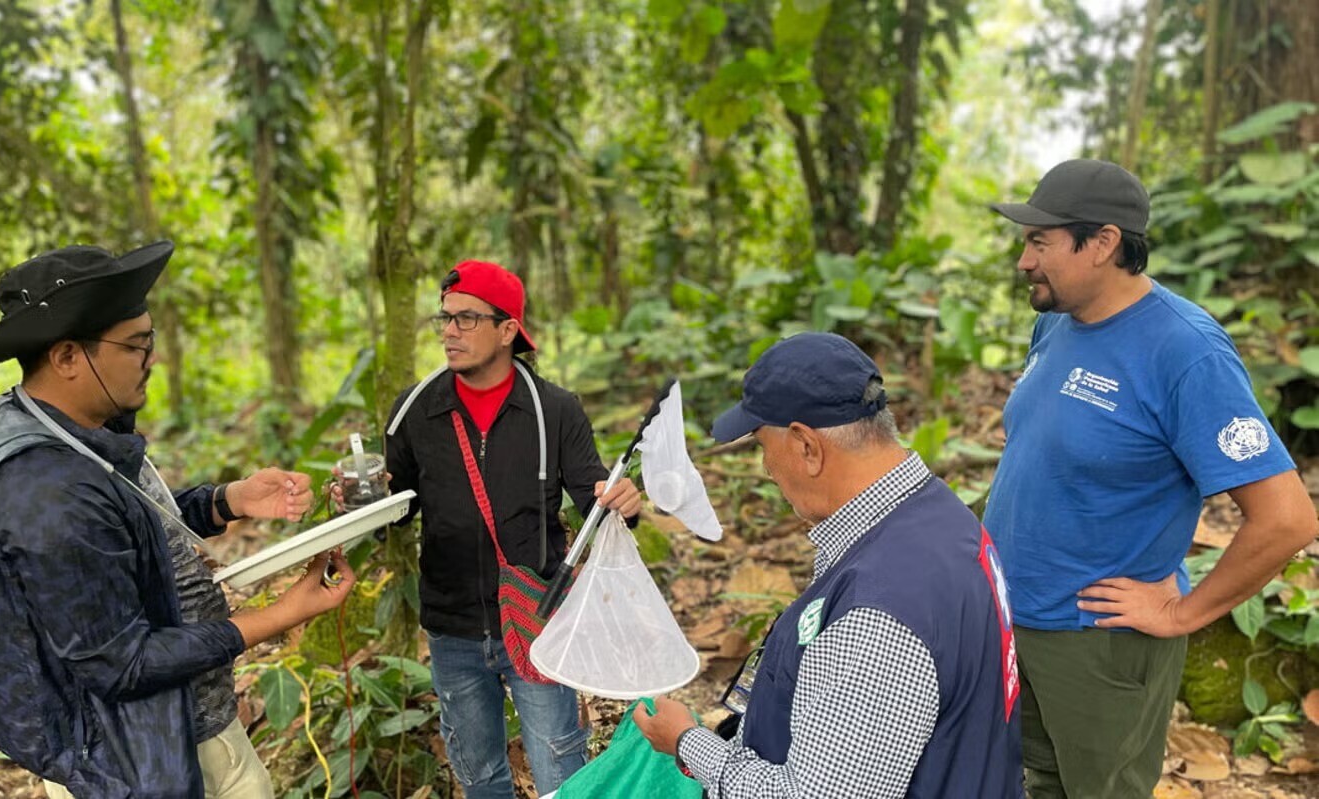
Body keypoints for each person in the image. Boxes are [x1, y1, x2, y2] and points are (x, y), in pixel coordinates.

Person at [0, 241, 356, 798]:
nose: (152, 358)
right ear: (66, 358)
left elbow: (121, 531)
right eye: (136, 345)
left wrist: (227, 500)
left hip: (190, 724)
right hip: (126, 762)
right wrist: (283, 614)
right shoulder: (46, 491)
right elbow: (120, 666)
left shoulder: (81, 431)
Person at [984, 159, 1318, 798]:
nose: (1024, 260)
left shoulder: (1186, 353)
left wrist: (1184, 612)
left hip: (1098, 643)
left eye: (1040, 241)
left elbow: (1288, 519)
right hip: (1012, 620)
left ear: (1104, 243)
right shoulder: (1054, 320)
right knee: (1033, 783)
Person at [634, 332, 1023, 798]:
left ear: (806, 447)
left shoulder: (878, 615)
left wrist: (687, 742)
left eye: (762, 446)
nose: (766, 468)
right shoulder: (941, 517)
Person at [380, 260, 641, 799]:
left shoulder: (555, 410)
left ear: (507, 331)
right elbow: (396, 508)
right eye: (445, 319)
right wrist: (357, 501)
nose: (450, 332)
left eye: (467, 319)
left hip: (536, 620)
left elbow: (596, 499)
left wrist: (626, 503)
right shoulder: (414, 409)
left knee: (560, 769)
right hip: (451, 625)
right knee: (479, 775)